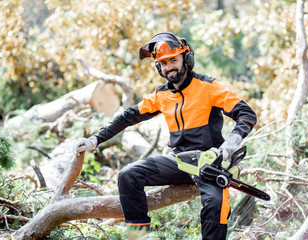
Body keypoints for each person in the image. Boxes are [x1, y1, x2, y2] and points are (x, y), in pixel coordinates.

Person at [73, 32, 257, 240]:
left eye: (173, 60)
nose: (169, 66)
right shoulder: (162, 95)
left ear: (186, 59)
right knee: (128, 176)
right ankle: (139, 237)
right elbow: (128, 116)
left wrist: (232, 141)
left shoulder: (209, 87)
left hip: (209, 162)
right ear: (158, 67)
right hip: (179, 160)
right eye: (163, 63)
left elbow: (246, 114)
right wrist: (96, 139)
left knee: (216, 206)